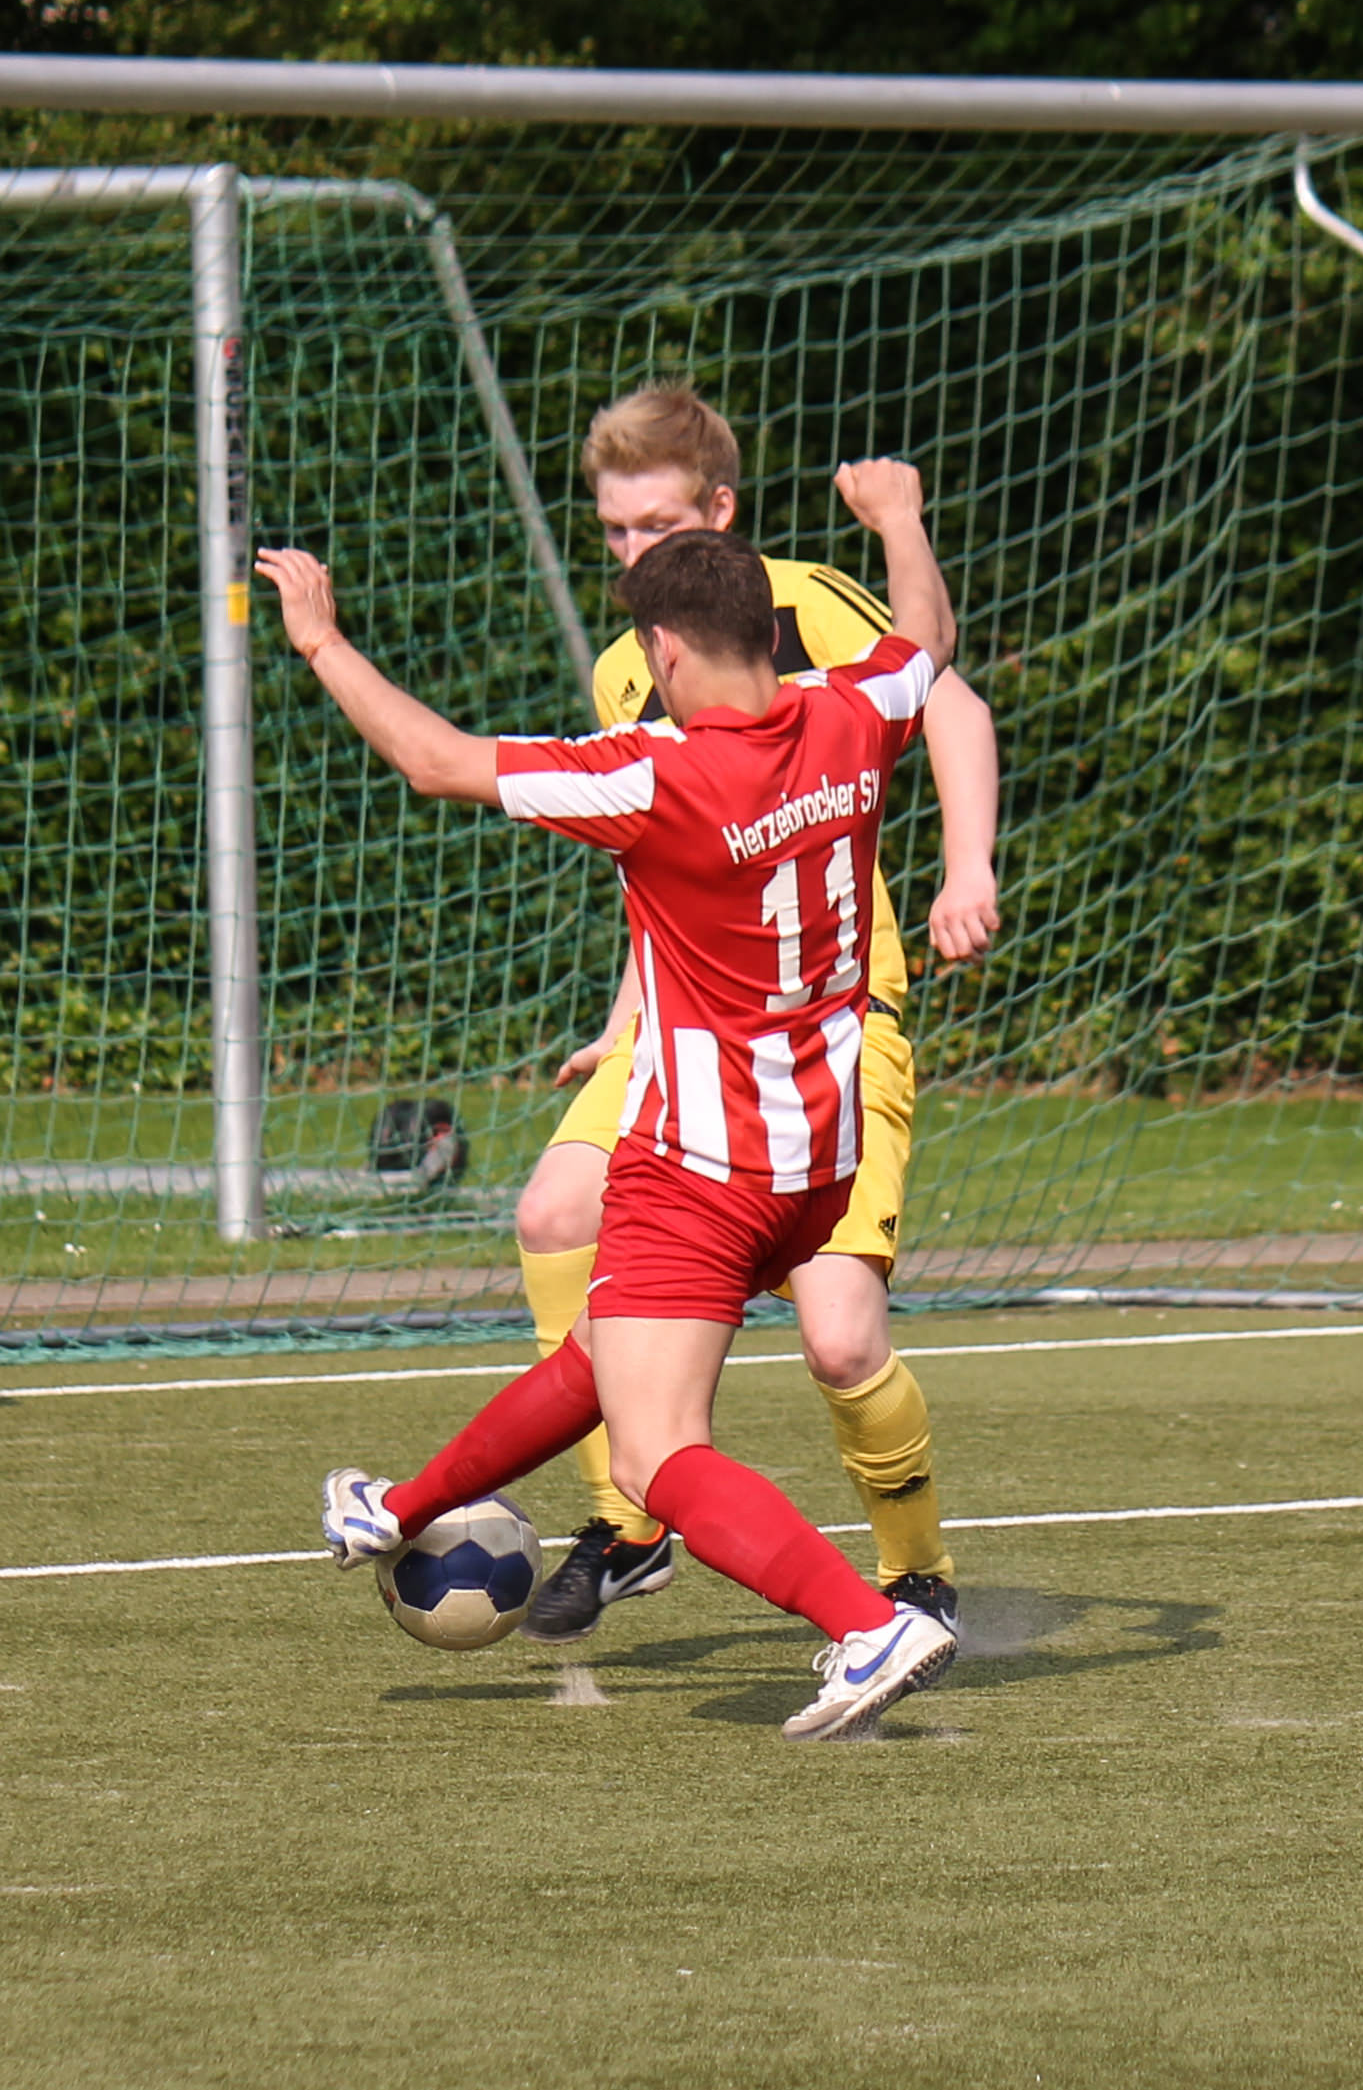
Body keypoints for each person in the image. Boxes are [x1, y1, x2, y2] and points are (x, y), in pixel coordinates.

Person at [261, 509, 960, 1740]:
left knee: (653, 1457)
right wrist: (900, 521)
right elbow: (926, 638)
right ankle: (396, 1505)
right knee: (606, 1350)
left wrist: (319, 642)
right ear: (768, 634)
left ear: (666, 651)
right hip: (817, 1155)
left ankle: (868, 1625)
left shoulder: (657, 772)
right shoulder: (852, 712)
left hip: (701, 1166)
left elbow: (433, 759)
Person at [513, 385, 998, 1648]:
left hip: (826, 1020)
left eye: (656, 525)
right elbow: (663, 858)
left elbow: (947, 700)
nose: (632, 551)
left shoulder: (800, 603)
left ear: (719, 509)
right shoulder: (630, 661)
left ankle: (916, 1576)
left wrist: (964, 871)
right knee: (552, 1212)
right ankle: (628, 1522)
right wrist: (624, 1013)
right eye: (613, 531)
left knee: (838, 1343)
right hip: (684, 1032)